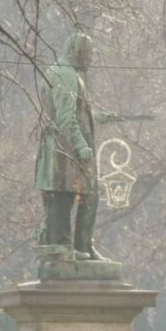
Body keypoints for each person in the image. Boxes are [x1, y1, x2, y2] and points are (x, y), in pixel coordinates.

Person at [35, 31, 107, 261]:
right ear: (76, 52)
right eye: (88, 54)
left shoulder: (62, 72)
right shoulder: (66, 75)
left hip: (60, 147)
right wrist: (82, 146)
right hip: (65, 150)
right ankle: (69, 247)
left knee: (69, 195)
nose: (91, 59)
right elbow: (66, 118)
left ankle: (79, 246)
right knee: (67, 194)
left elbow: (69, 110)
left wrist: (95, 116)